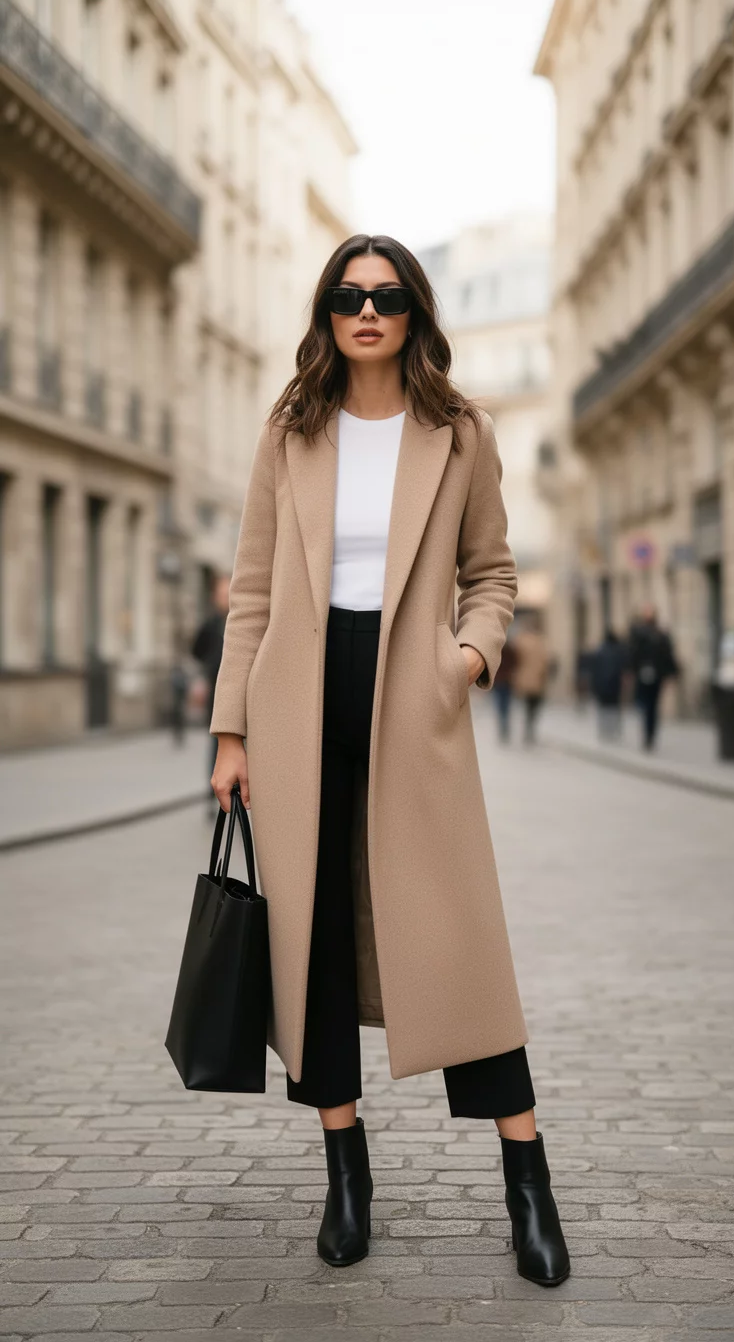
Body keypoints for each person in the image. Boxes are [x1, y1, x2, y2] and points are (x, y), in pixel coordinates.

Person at [209, 235, 569, 1287]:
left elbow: (491, 573)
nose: (367, 310)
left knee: (459, 936)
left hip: (415, 699)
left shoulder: (461, 433)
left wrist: (467, 658)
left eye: (388, 295)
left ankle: (528, 1182)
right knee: (313, 938)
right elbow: (254, 593)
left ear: (415, 313)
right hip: (297, 705)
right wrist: (231, 731)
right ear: (327, 314)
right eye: (347, 295)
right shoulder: (290, 430)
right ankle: (346, 1176)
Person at [191, 573, 230, 809]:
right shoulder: (211, 624)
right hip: (216, 693)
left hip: (240, 694)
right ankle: (213, 793)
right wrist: (204, 674)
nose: (225, 599)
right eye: (222, 594)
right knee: (217, 745)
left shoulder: (241, 621)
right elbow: (196, 650)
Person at [628, 604, 679, 751]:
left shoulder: (659, 634)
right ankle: (648, 734)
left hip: (655, 674)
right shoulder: (640, 633)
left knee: (651, 706)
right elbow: (633, 653)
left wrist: (670, 673)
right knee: (646, 705)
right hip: (645, 674)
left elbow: (667, 654)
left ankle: (650, 735)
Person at [511, 613, 551, 745]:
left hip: (524, 678)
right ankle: (530, 729)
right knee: (534, 705)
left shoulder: (520, 640)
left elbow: (515, 660)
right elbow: (545, 660)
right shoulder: (540, 641)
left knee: (527, 705)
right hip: (538, 679)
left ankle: (527, 729)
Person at [590, 629, 627, 741]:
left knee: (603, 708)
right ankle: (613, 729)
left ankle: (604, 729)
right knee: (614, 708)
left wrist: (594, 686)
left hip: (602, 685)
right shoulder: (618, 651)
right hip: (614, 685)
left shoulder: (600, 651)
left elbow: (594, 670)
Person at [492, 629, 517, 742]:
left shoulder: (497, 649)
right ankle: (505, 726)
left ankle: (502, 726)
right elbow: (515, 663)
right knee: (506, 705)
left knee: (499, 704)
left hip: (498, 680)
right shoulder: (511, 650)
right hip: (507, 680)